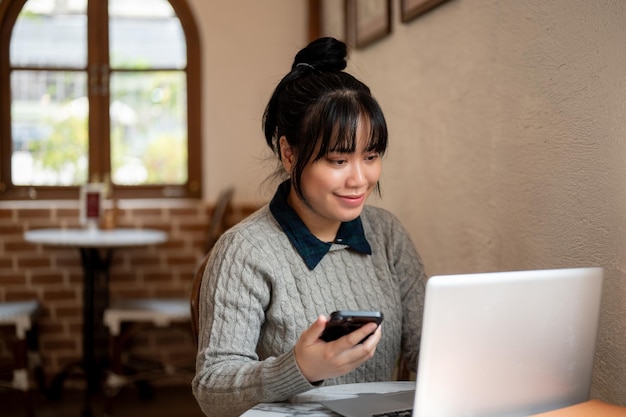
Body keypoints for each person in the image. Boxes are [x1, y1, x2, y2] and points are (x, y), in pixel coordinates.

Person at [191, 36, 427, 417]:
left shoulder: (387, 235)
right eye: (338, 160)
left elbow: (426, 351)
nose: (360, 179)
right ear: (289, 154)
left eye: (371, 156)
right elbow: (212, 389)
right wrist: (300, 368)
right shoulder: (246, 251)